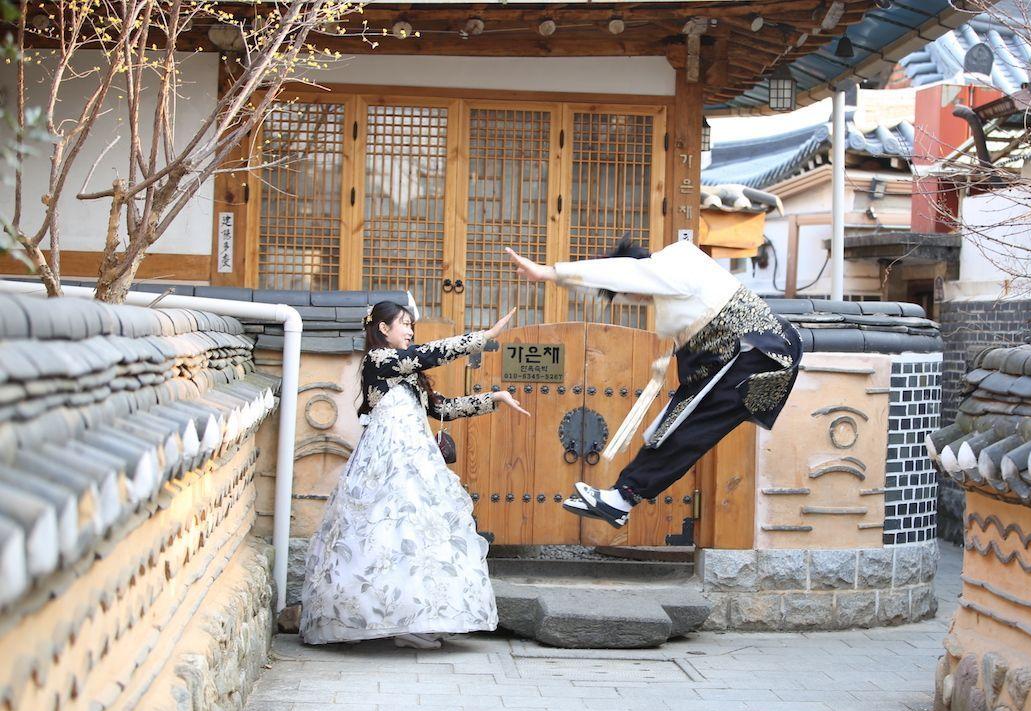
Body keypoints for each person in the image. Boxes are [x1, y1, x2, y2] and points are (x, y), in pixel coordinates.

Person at [506, 236, 803, 529]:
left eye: (636, 292)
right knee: (672, 428)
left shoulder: (673, 265)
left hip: (756, 354)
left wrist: (549, 273)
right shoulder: (675, 277)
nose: (642, 300)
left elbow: (626, 275)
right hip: (745, 358)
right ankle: (622, 498)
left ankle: (623, 497)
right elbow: (624, 283)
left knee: (686, 429)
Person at [299, 299, 528, 649]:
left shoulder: (408, 376)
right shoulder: (379, 361)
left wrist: (493, 398)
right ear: (383, 329)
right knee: (386, 532)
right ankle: (397, 622)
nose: (409, 331)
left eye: (411, 326)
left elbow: (444, 409)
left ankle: (417, 618)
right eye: (403, 324)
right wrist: (485, 336)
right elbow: (429, 354)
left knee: (418, 534)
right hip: (386, 463)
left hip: (416, 462)